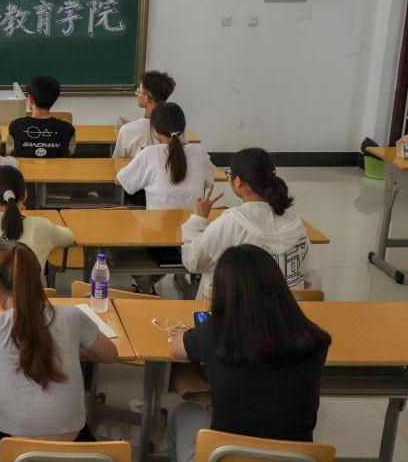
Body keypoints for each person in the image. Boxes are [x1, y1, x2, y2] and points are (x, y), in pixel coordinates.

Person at [168, 244, 331, 462]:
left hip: (226, 456)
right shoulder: (314, 339)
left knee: (184, 412)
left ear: (223, 291)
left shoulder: (217, 331)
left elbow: (176, 348)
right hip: (296, 457)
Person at [0, 243, 118, 462]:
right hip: (77, 451)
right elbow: (110, 354)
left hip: (14, 452)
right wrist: (71, 348)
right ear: (39, 279)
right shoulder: (72, 317)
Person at [182, 148, 322, 299]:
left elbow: (194, 261)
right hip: (287, 311)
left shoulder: (231, 222)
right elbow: (313, 280)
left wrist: (197, 219)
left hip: (238, 311)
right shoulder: (294, 222)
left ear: (238, 181)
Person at [116, 102, 215, 210]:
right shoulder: (199, 153)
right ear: (183, 127)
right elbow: (209, 181)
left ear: (155, 130)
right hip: (193, 220)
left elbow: (120, 181)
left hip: (157, 221)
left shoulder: (149, 154)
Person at [7, 75, 76, 158]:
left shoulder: (15, 126)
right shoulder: (67, 129)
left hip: (23, 167)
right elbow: (70, 154)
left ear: (30, 99)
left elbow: (10, 153)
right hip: (57, 167)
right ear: (54, 99)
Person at [114, 70, 176, 158]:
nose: (137, 94)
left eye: (139, 91)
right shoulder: (176, 127)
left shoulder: (127, 130)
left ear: (147, 97)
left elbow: (117, 161)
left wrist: (130, 127)